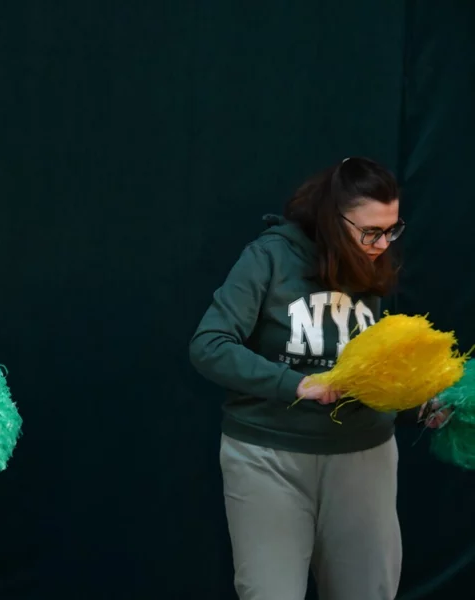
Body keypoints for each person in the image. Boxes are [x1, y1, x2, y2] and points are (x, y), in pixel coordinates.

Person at [188, 157, 446, 600]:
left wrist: (419, 406)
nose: (382, 244)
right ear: (333, 219)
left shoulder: (373, 261)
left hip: (364, 459)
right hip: (268, 458)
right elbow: (209, 345)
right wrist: (297, 384)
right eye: (371, 231)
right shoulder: (269, 257)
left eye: (392, 230)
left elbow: (373, 377)